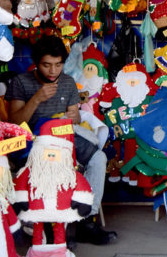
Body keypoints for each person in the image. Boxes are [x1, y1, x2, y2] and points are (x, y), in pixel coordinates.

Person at [7, 35, 117, 245]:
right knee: (51, 165)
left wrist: (74, 117)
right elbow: (15, 122)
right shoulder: (21, 82)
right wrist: (37, 98)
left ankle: (86, 220)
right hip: (34, 142)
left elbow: (74, 116)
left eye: (58, 65)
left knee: (99, 158)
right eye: (46, 65)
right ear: (37, 63)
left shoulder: (67, 82)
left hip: (65, 136)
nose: (53, 71)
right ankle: (50, 226)